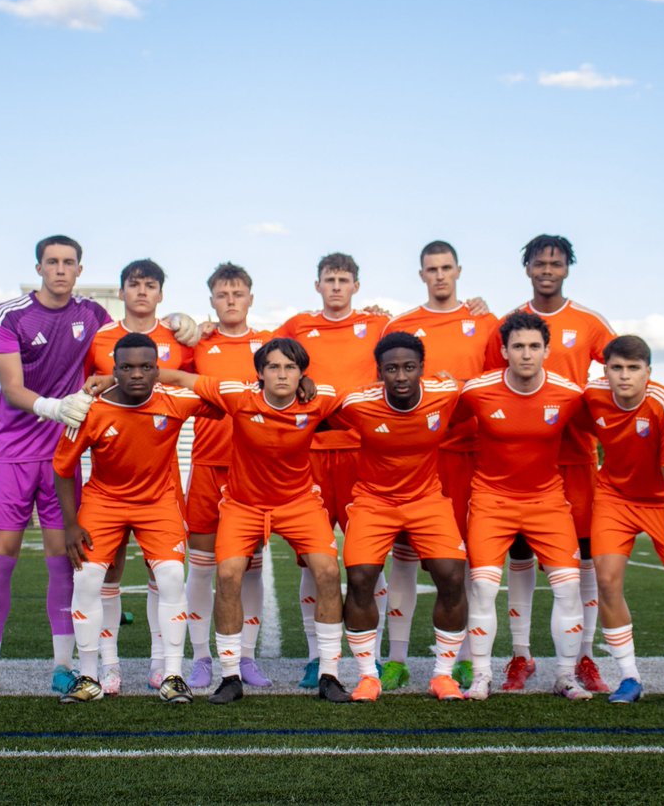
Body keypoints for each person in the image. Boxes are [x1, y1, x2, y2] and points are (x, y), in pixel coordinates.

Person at [159, 338, 351, 705]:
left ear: (302, 374)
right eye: (274, 367)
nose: (282, 374)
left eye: (290, 368)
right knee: (228, 574)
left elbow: (366, 398)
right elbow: (181, 378)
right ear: (260, 373)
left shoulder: (320, 398)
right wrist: (107, 381)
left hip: (298, 502)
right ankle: (230, 676)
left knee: (327, 571)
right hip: (243, 503)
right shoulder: (238, 395)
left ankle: (329, 673)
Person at [0, 235, 110, 698]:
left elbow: (129, 348)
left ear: (79, 270)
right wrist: (55, 406)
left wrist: (179, 325)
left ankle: (63, 666)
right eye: (52, 262)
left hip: (63, 455)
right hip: (13, 452)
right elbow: (10, 388)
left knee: (62, 564)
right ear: (39, 268)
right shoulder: (9, 315)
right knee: (0, 559)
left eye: (69, 263)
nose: (61, 270)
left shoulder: (92, 315)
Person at [52, 333, 220, 704]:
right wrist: (70, 524)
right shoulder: (90, 410)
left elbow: (227, 400)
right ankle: (88, 675)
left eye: (146, 367)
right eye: (126, 368)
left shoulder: (173, 401)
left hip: (157, 503)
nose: (137, 374)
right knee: (87, 580)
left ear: (157, 369)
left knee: (173, 576)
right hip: (104, 502)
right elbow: (62, 469)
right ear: (114, 371)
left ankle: (173, 675)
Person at [483, 234, 615, 693]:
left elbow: (618, 367)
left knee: (584, 561)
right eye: (539, 263)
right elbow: (488, 382)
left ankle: (584, 658)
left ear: (566, 269)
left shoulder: (589, 322)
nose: (547, 270)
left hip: (575, 459)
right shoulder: (510, 323)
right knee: (519, 556)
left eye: (555, 264)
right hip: (520, 465)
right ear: (527, 268)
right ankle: (521, 657)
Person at [380, 241, 497, 690]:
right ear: (421, 274)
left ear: (459, 270)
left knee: (461, 562)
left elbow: (493, 381)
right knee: (404, 558)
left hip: (469, 453)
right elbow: (386, 378)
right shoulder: (403, 324)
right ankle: (396, 659)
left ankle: (464, 656)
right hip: (417, 456)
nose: (441, 276)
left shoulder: (484, 320)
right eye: (432, 269)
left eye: (447, 268)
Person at [458, 312, 590, 701]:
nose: (526, 354)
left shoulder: (569, 393)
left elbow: (602, 426)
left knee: (568, 590)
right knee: (482, 586)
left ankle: (565, 676)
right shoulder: (477, 391)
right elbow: (445, 421)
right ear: (504, 351)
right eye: (518, 346)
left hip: (547, 502)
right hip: (490, 501)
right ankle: (481, 676)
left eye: (534, 346)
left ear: (547, 351)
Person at [273, 253, 390, 688]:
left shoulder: (379, 324)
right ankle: (314, 656)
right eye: (329, 279)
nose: (336, 286)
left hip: (363, 451)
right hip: (314, 452)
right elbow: (264, 355)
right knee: (312, 561)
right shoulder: (297, 326)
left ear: (356, 285)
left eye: (344, 280)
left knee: (367, 561)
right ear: (317, 284)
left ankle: (370, 656)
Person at [82, 259, 196, 695]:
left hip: (162, 473)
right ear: (122, 290)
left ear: (162, 292)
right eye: (135, 284)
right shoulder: (102, 338)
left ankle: (159, 663)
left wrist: (194, 327)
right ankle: (108, 666)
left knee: (163, 573)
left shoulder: (177, 336)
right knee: (106, 571)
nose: (143, 292)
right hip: (112, 472)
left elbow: (196, 381)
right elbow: (84, 388)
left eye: (151, 285)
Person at [336, 333, 469, 702]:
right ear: (379, 372)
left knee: (452, 576)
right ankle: (368, 676)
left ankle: (443, 676)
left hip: (428, 499)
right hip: (374, 501)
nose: (400, 376)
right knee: (361, 577)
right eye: (391, 368)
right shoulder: (357, 401)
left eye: (409, 367)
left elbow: (482, 391)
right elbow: (317, 406)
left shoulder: (445, 391)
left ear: (422, 369)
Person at [583, 335, 664, 705]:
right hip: (614, 497)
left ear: (648, 372)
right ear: (606, 370)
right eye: (617, 368)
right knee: (605, 580)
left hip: (661, 500)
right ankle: (628, 676)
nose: (624, 376)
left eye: (634, 369)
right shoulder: (592, 393)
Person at [184, 263, 273, 689]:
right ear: (212, 300)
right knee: (201, 568)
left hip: (252, 471)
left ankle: (247, 656)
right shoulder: (199, 344)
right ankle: (201, 656)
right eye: (223, 295)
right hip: (206, 463)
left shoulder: (270, 345)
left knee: (249, 569)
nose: (231, 300)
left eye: (238, 293)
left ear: (250, 297)